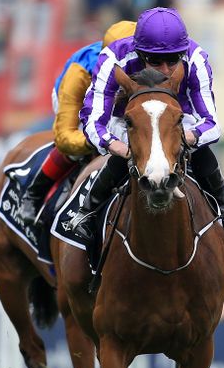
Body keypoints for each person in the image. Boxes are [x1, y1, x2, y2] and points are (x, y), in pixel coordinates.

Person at [64, 7, 224, 246]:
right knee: (132, 148)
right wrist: (119, 147)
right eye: (155, 61)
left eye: (173, 60)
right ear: (139, 53)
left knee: (201, 151)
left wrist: (183, 138)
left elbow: (211, 123)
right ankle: (86, 211)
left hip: (176, 121)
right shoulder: (113, 59)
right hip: (127, 121)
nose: (166, 70)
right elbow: (93, 120)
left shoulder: (196, 58)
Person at [18, 20, 137, 224]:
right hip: (78, 98)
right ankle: (33, 195)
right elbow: (65, 137)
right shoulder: (80, 73)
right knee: (78, 146)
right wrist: (98, 141)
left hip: (117, 101)